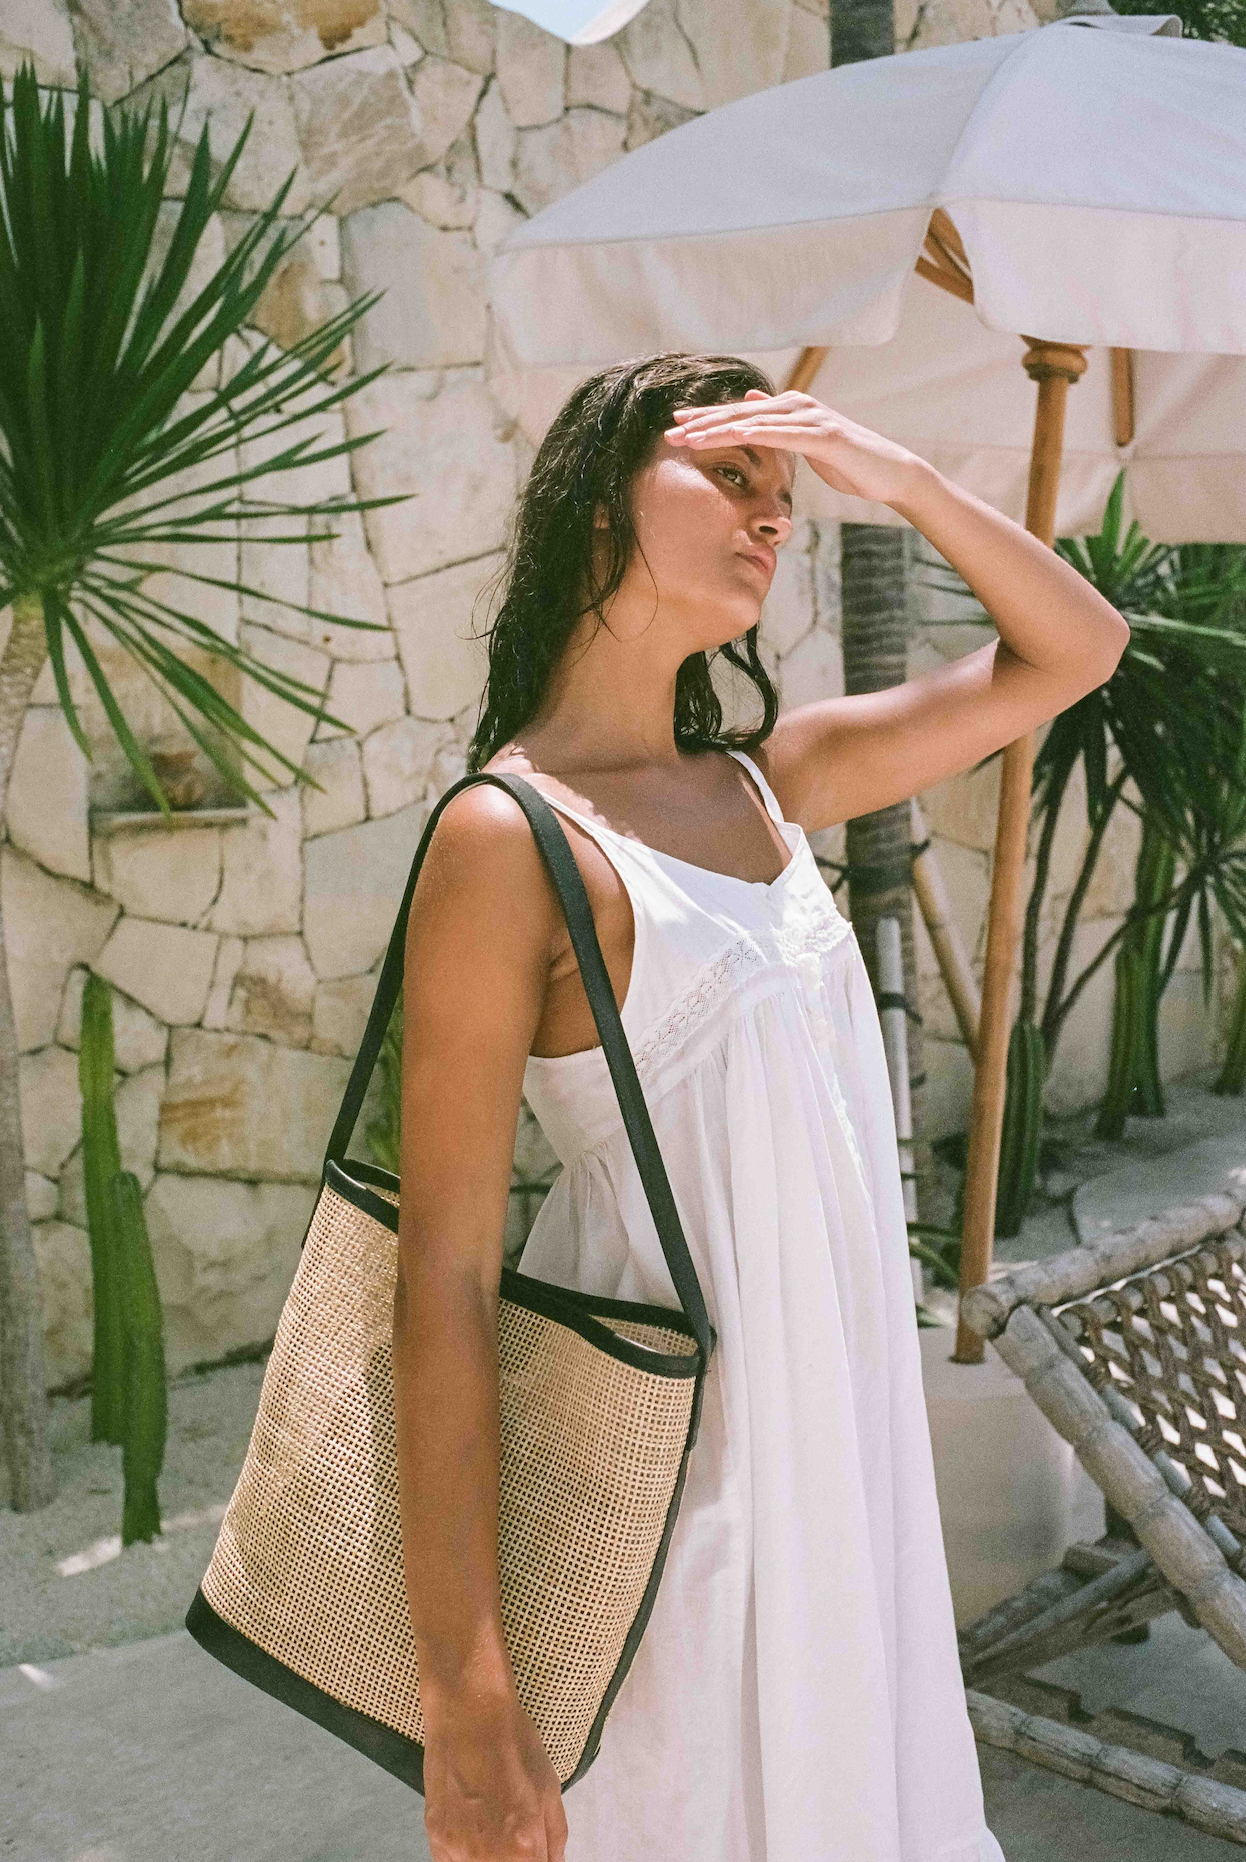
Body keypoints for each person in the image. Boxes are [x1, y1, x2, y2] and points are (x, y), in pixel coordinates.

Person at [390, 352, 1130, 1862]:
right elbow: (443, 1276)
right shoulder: (506, 838)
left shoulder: (773, 783)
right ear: (603, 500)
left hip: (839, 1461)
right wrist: (461, 1682)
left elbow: (1075, 647)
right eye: (729, 472)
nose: (773, 513)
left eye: (784, 490)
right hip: (666, 1492)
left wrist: (896, 477)